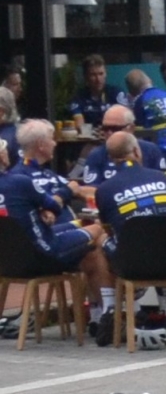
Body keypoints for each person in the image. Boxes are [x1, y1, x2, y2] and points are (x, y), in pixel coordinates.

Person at [1, 119, 110, 334]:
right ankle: (108, 313)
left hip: (10, 259)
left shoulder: (32, 177)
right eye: (52, 139)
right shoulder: (19, 180)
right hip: (41, 252)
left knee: (89, 241)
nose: (55, 143)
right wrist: (65, 193)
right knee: (98, 231)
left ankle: (100, 314)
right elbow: (56, 203)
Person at [68, 55, 112, 127]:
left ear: (106, 74)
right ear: (86, 76)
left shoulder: (115, 93)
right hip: (89, 136)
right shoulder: (79, 97)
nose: (98, 79)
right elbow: (79, 124)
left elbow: (125, 120)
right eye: (93, 75)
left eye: (101, 74)